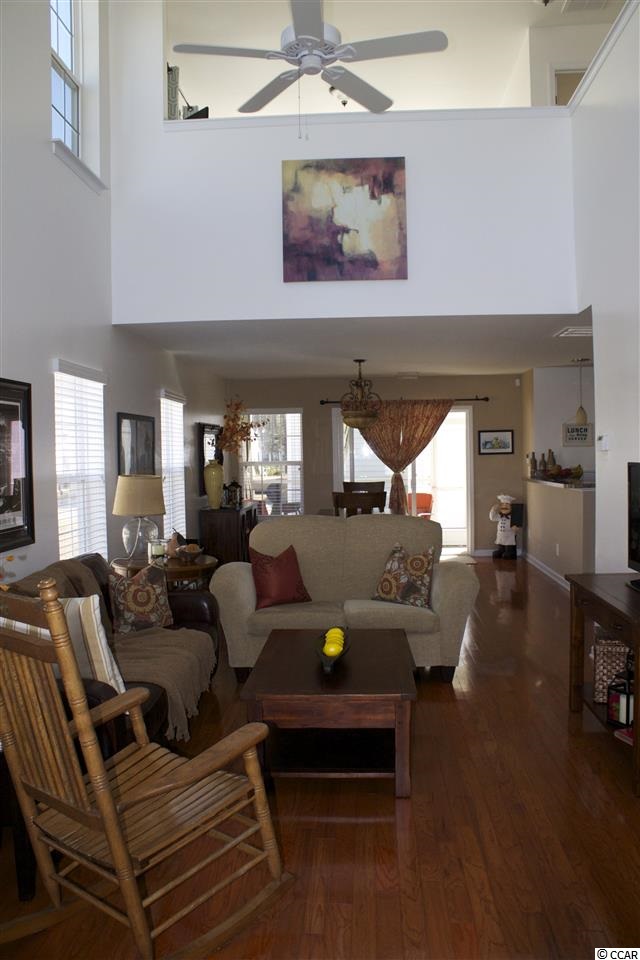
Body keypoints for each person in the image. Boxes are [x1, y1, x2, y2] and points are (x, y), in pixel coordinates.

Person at [489, 494, 520, 559]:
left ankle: (510, 552)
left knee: (509, 547)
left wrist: (516, 528)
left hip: (509, 535)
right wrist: (493, 510)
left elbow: (517, 524)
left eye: (507, 504)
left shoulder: (513, 516)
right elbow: (492, 518)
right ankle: (501, 551)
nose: (504, 506)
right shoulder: (499, 516)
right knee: (500, 544)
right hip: (501, 535)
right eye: (503, 504)